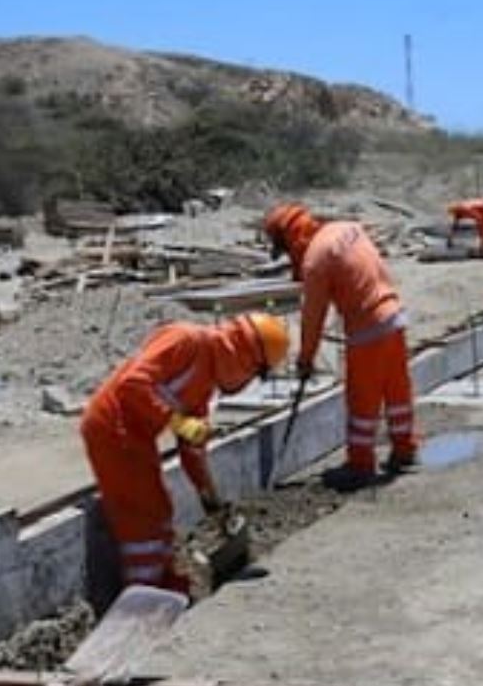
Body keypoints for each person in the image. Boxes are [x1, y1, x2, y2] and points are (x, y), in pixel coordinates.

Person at [82, 314, 289, 592]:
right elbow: (132, 383)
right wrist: (178, 422)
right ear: (247, 358)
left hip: (135, 434)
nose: (249, 382)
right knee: (143, 513)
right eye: (257, 374)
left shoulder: (206, 382)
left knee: (159, 508)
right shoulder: (187, 341)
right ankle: (143, 589)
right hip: (111, 426)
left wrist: (210, 499)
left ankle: (161, 581)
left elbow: (191, 450)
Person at [264, 203, 418, 488]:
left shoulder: (316, 260)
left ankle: (360, 465)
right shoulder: (346, 228)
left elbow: (313, 318)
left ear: (290, 239)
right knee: (396, 391)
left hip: (367, 329)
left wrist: (305, 359)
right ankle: (405, 450)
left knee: (362, 401)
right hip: (394, 316)